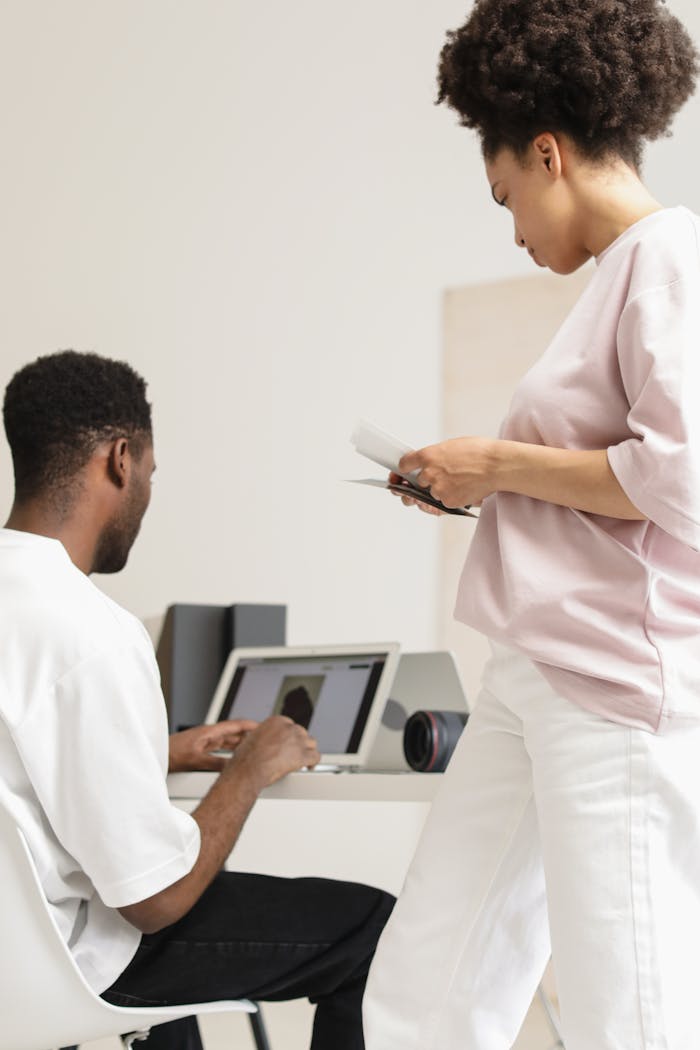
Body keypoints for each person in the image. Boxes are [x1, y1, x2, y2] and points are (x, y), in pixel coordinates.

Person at [362, 2, 700, 1049]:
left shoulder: (667, 259)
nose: (509, 225)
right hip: (532, 670)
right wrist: (485, 486)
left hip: (611, 688)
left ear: (546, 153)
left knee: (627, 1004)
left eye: (505, 193)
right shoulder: (613, 287)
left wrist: (495, 463)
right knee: (428, 980)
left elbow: (685, 479)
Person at [0, 349, 394, 1050]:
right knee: (376, 930)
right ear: (121, 459)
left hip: (12, 960)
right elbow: (154, 900)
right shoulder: (94, 632)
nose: (147, 492)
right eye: (150, 473)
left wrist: (155, 754)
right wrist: (250, 771)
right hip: (70, 959)